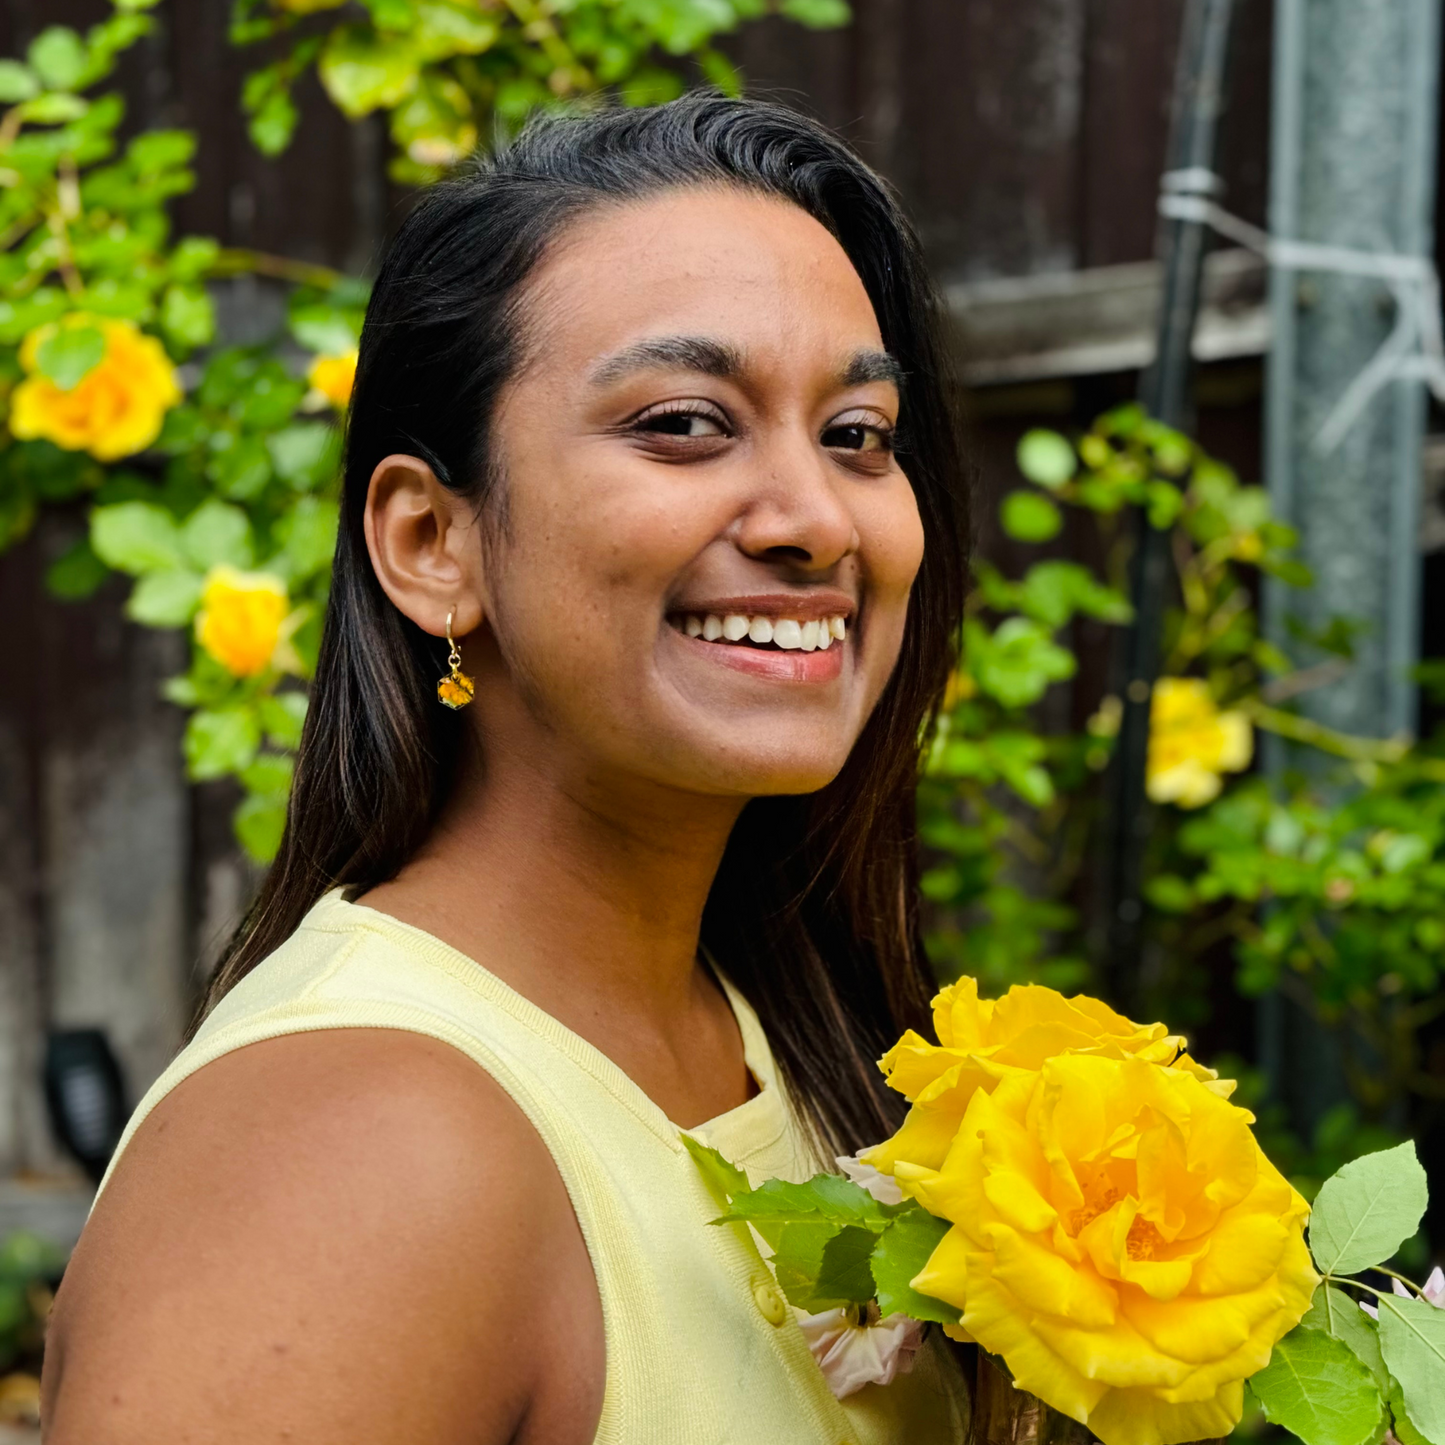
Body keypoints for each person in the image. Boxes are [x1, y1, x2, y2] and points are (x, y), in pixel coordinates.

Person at [42, 94, 972, 1444]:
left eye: (858, 436)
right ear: (432, 541)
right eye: (685, 423)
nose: (816, 520)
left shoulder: (781, 1030)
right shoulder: (352, 1152)